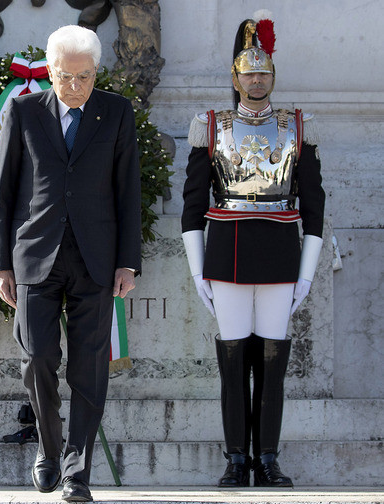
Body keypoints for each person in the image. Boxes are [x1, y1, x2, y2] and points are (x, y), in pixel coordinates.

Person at [0, 25, 141, 502]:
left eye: (86, 76)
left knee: (89, 369)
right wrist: (0, 264)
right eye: (66, 76)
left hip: (95, 258)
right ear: (49, 72)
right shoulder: (24, 111)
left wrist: (127, 262)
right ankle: (49, 449)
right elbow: (4, 189)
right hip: (35, 255)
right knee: (37, 357)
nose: (76, 87)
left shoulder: (116, 112)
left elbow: (127, 191)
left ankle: (78, 470)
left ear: (97, 72)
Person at [181, 12, 325, 488]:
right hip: (227, 256)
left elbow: (315, 207)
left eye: (264, 72)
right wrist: (197, 269)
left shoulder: (297, 127)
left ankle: (267, 457)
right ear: (236, 77)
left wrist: (306, 273)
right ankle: (235, 459)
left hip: (280, 255)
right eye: (249, 72)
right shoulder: (211, 125)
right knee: (231, 362)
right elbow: (192, 204)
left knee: (272, 364)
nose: (257, 79)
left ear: (273, 76)